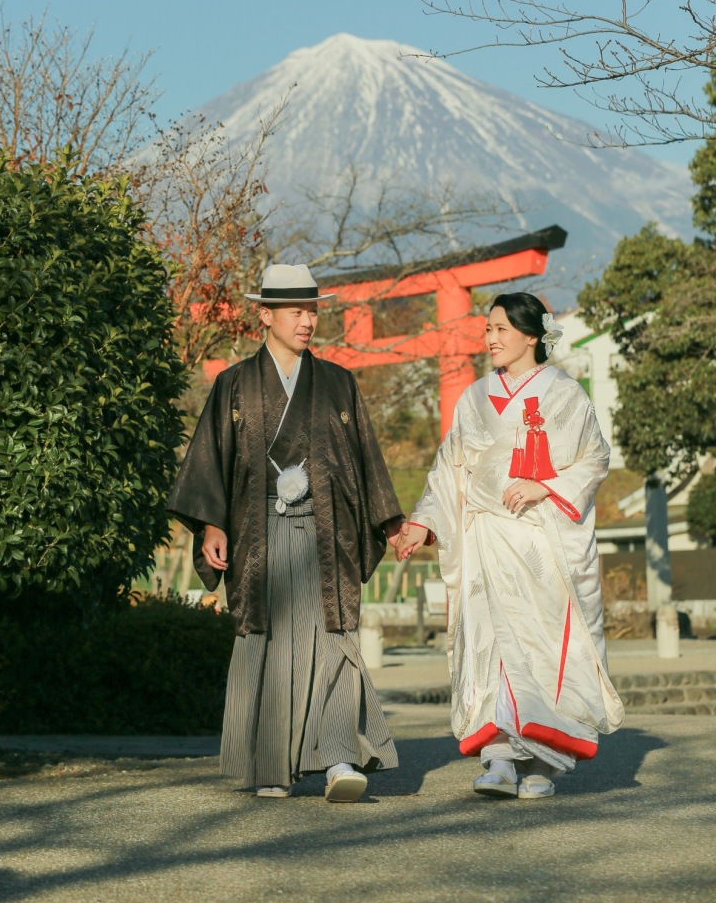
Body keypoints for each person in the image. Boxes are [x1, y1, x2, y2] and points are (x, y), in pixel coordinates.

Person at [167, 263, 404, 802]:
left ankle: (340, 757)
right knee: (268, 643)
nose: (307, 321)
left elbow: (365, 458)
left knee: (333, 638)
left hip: (329, 531)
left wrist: (390, 521)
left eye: (312, 311)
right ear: (265, 316)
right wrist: (212, 525)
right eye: (296, 311)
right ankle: (271, 764)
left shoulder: (338, 384)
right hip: (259, 531)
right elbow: (211, 461)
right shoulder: (233, 384)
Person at [396, 291, 624, 799]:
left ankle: (542, 761)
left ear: (531, 336)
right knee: (490, 644)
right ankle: (498, 758)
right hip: (484, 539)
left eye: (501, 329)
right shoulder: (474, 397)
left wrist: (546, 486)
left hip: (541, 542)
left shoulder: (565, 395)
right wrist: (423, 522)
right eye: (488, 329)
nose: (491, 339)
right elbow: (449, 468)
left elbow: (594, 458)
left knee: (539, 647)